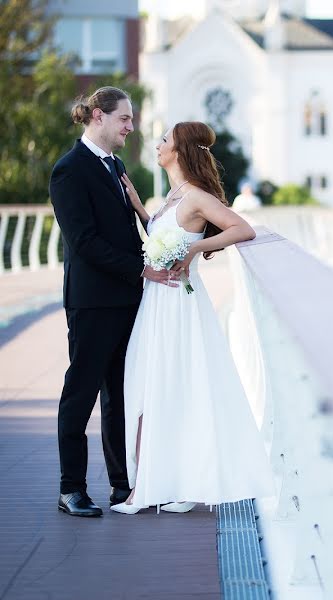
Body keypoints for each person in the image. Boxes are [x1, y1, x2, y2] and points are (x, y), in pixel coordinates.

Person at [112, 122, 274, 514]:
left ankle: (158, 490)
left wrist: (196, 248)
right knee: (149, 384)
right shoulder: (173, 197)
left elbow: (243, 228)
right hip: (156, 303)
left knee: (173, 386)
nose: (158, 144)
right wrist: (137, 205)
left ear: (180, 151)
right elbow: (161, 232)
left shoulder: (197, 197)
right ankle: (160, 485)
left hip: (179, 307)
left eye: (164, 139)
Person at [49, 87, 177, 517]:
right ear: (98, 117)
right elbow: (83, 242)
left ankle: (122, 489)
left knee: (120, 397)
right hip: (91, 302)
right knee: (81, 394)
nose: (131, 126)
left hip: (126, 299)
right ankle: (71, 490)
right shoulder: (69, 170)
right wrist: (142, 269)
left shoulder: (116, 165)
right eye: (124, 118)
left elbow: (127, 232)